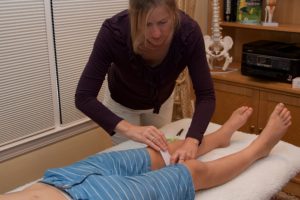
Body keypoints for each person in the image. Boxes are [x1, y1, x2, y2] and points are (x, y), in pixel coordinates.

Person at [0, 103, 292, 200]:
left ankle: (218, 138)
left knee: (164, 150)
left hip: (60, 179)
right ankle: (258, 149)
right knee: (189, 172)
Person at [75, 0, 215, 164]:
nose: (156, 33)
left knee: (160, 157)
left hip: (161, 102)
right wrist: (130, 130)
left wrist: (192, 139)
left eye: (163, 22)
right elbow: (83, 97)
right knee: (133, 162)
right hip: (122, 105)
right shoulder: (114, 32)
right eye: (146, 24)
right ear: (134, 18)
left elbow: (206, 95)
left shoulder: (188, 32)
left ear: (173, 13)